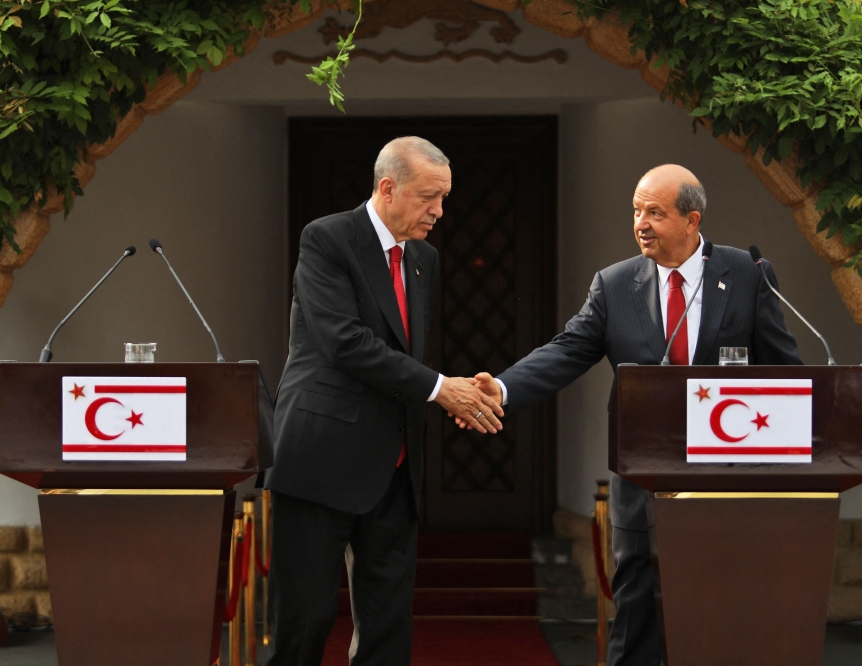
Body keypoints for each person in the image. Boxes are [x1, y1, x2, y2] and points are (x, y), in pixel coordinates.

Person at [462, 164, 802, 665]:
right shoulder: (615, 284)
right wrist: (504, 387)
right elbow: (567, 350)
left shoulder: (747, 274)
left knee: (721, 613)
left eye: (655, 213)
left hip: (728, 477)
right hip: (643, 477)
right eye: (636, 211)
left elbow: (785, 372)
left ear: (692, 219)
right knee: (638, 612)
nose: (641, 223)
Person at [265, 136, 503, 666]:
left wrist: (450, 392)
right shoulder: (327, 238)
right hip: (320, 458)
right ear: (388, 187)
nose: (439, 211)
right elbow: (345, 342)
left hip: (395, 466)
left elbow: (401, 351)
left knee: (388, 625)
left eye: (444, 198)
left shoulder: (424, 258)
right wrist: (443, 389)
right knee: (304, 621)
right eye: (428, 197)